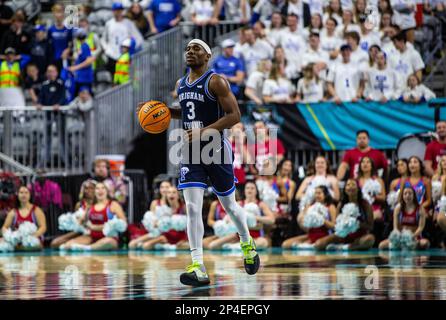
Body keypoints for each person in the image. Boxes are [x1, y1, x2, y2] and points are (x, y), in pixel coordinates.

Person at [137, 39, 260, 286]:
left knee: (230, 206)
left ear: (208, 55)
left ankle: (247, 241)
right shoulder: (180, 84)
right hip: (190, 151)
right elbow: (187, 110)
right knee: (192, 208)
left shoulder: (216, 81)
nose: (190, 52)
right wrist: (159, 110)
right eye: (187, 49)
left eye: (196, 49)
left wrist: (205, 131)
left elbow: (234, 115)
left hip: (216, 149)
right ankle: (198, 266)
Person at [205, 181, 275, 249]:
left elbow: (271, 219)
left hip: (256, 236)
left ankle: (237, 246)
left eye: (252, 188)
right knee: (213, 245)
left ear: (256, 191)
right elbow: (228, 219)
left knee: (263, 242)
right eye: (247, 188)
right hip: (238, 235)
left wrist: (253, 218)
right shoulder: (238, 204)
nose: (249, 190)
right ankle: (238, 246)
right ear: (244, 190)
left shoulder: (261, 204)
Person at [63, 182, 127, 251]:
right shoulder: (90, 206)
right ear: (95, 192)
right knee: (68, 245)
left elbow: (124, 223)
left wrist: (95, 227)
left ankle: (89, 248)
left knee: (109, 242)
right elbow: (82, 223)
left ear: (107, 191)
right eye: (97, 188)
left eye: (103, 188)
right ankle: (90, 247)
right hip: (92, 236)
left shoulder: (113, 204)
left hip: (108, 238)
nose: (100, 190)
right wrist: (75, 220)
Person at [315, 178, 375, 250]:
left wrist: (356, 223)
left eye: (353, 185)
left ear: (358, 188)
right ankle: (345, 246)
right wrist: (343, 223)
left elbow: (370, 226)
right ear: (345, 189)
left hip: (359, 237)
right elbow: (335, 225)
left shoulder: (365, 204)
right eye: (348, 185)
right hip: (343, 236)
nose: (350, 187)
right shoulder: (341, 204)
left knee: (370, 239)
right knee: (319, 244)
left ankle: (346, 247)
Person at [50, 179, 96, 249]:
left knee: (69, 245)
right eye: (86, 188)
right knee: (55, 243)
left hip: (93, 231)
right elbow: (76, 224)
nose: (88, 190)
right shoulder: (79, 204)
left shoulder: (99, 204)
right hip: (80, 231)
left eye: (91, 188)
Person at [101, 2, 143, 75]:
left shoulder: (128, 23)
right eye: (116, 10)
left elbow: (139, 38)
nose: (118, 12)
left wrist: (132, 48)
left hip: (125, 56)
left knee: (125, 79)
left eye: (120, 10)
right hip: (112, 55)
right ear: (113, 11)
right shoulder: (109, 24)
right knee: (113, 79)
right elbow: (103, 39)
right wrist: (106, 49)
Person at [0, 186, 47, 251]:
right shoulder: (13, 212)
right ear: (18, 195)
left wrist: (32, 236)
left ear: (30, 195)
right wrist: (9, 236)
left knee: (34, 245)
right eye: (21, 192)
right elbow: (4, 227)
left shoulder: (36, 210)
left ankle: (17, 248)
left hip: (32, 241)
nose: (23, 195)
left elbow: (43, 227)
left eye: (26, 192)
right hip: (18, 241)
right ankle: (18, 247)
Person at [37, 64, 66, 167]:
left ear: (56, 73)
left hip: (59, 114)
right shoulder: (44, 85)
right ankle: (45, 161)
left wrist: (59, 104)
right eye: (48, 71)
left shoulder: (60, 84)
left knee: (62, 137)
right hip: (48, 113)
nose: (50, 73)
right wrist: (39, 104)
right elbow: (40, 97)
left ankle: (65, 160)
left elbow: (63, 97)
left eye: (52, 71)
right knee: (46, 138)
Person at [357, 156, 386, 221]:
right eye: (363, 162)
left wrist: (371, 196)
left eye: (368, 162)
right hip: (360, 209)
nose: (365, 164)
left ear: (372, 166)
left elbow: (383, 198)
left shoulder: (378, 180)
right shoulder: (356, 181)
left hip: (375, 209)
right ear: (360, 166)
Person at [68, 28, 95, 96]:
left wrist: (75, 68)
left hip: (85, 78)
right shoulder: (82, 46)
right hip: (81, 77)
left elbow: (88, 61)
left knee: (84, 96)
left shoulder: (85, 47)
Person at [47, 4, 73, 69]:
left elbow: (71, 42)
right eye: (56, 12)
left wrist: (68, 50)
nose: (58, 15)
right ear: (53, 14)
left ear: (63, 13)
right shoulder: (50, 29)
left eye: (60, 11)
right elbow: (49, 44)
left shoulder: (68, 28)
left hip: (65, 59)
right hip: (54, 59)